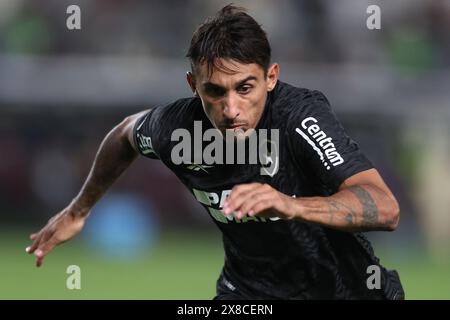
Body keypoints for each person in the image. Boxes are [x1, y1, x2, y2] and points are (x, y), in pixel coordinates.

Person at [26, 5, 404, 299]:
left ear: (271, 77)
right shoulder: (176, 128)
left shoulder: (299, 118)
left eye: (245, 88)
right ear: (193, 85)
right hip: (248, 294)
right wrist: (79, 210)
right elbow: (125, 135)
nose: (231, 109)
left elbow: (385, 207)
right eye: (215, 92)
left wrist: (293, 205)